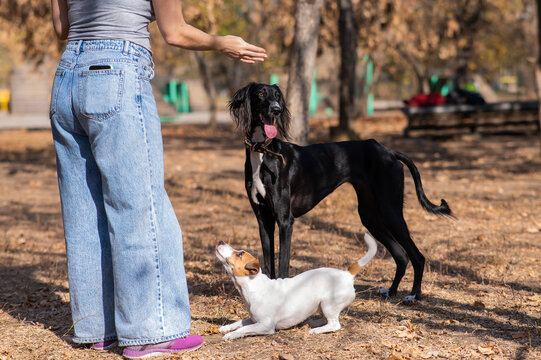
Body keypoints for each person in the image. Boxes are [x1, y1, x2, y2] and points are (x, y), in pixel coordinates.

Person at [49, 0, 266, 358]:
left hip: (66, 79)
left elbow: (63, 29)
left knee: (83, 211)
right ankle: (151, 332)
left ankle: (96, 329)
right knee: (139, 206)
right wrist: (221, 42)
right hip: (116, 72)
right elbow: (174, 31)